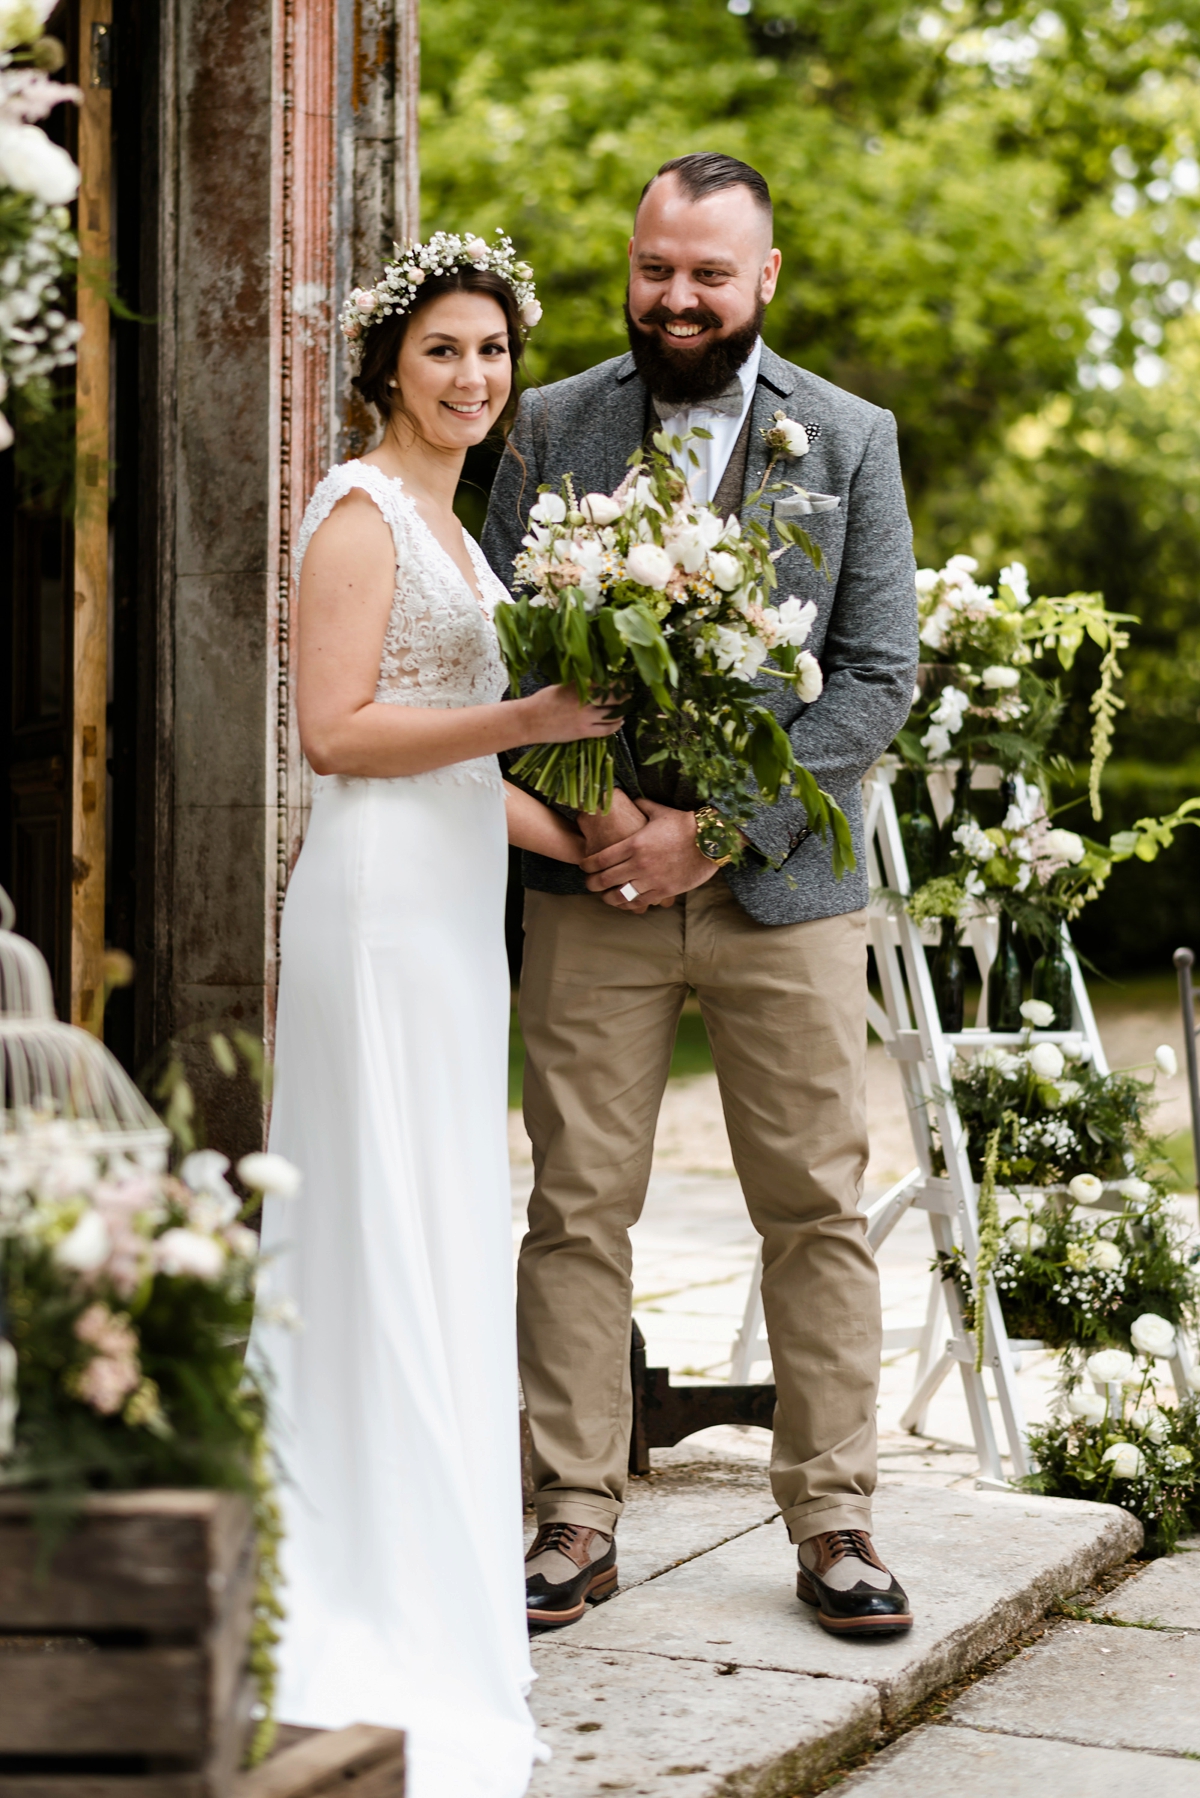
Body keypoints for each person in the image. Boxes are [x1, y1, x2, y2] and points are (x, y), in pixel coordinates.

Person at [482, 154, 919, 1638]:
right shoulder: (550, 424)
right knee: (574, 1205)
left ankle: (838, 1516)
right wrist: (608, 831)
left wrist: (709, 833)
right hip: (592, 889)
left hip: (785, 895)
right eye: (657, 266)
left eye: (709, 275)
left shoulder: (850, 440)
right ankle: (572, 1512)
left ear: (765, 280)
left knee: (813, 1206)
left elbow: (875, 676)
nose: (678, 297)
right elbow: (505, 656)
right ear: (632, 259)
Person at [251, 232, 622, 1797]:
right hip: (375, 912)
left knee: (443, 1223)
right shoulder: (356, 511)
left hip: (455, 909)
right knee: (377, 1226)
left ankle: (429, 1562)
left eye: (493, 354)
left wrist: (595, 841)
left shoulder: (459, 533)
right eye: (445, 351)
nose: (473, 378)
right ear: (388, 364)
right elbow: (338, 733)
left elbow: (465, 763)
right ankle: (349, 1588)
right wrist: (535, 720)